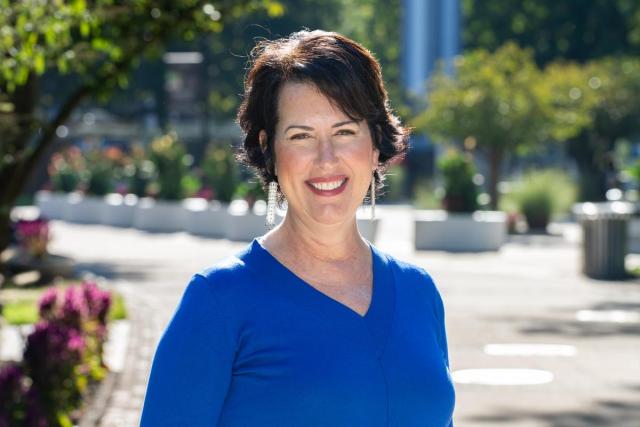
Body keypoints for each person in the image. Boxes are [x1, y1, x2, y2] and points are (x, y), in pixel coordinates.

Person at [140, 30, 455, 427]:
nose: (326, 159)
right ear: (269, 150)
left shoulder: (418, 293)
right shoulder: (218, 302)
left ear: (375, 145)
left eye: (344, 132)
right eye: (301, 136)